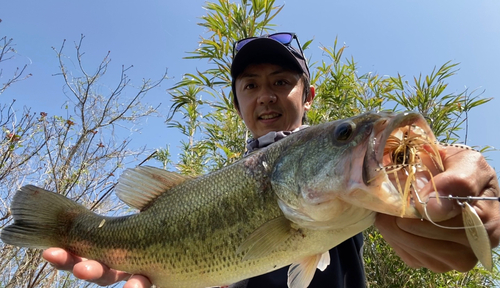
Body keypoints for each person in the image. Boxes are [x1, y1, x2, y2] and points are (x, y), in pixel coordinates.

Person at [43, 32, 500, 287]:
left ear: (310, 94)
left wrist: (471, 195)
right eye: (250, 85)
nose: (266, 96)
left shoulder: (355, 188)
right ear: (236, 102)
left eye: (282, 81)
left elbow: (431, 166)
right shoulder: (220, 180)